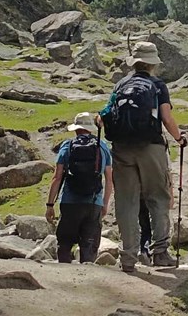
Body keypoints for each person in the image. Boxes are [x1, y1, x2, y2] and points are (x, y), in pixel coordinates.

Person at [100, 41, 188, 272]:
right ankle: (160, 253)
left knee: (126, 202)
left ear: (135, 62)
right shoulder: (158, 85)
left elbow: (105, 114)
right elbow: (166, 119)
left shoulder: (121, 84)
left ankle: (128, 258)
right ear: (153, 64)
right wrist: (180, 138)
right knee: (158, 198)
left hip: (121, 148)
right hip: (151, 147)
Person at [45, 112, 113, 263]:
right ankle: (86, 278)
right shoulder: (102, 146)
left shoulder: (67, 146)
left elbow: (57, 178)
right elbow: (109, 179)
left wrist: (50, 205)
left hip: (70, 202)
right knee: (89, 246)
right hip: (94, 202)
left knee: (64, 244)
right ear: (90, 128)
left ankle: (63, 277)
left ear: (76, 129)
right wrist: (105, 204)